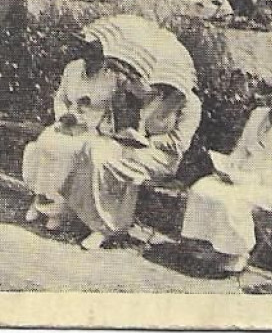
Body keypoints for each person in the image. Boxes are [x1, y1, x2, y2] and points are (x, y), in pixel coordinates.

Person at [64, 48, 202, 251]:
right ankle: (87, 215)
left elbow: (180, 143)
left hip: (163, 159)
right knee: (94, 148)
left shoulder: (190, 105)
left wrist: (149, 141)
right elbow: (137, 103)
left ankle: (106, 228)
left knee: (108, 162)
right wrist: (131, 134)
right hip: (139, 149)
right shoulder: (158, 95)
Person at [181, 72, 272, 274]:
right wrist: (229, 168)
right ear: (269, 99)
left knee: (233, 199)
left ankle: (237, 253)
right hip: (241, 175)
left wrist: (259, 178)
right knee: (202, 187)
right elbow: (242, 148)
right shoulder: (258, 115)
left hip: (271, 189)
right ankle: (209, 244)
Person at [21, 31, 122, 229]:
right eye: (86, 49)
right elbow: (61, 98)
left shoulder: (112, 77)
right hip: (66, 122)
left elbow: (110, 110)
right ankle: (39, 199)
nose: (88, 57)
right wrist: (63, 115)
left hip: (94, 129)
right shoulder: (73, 68)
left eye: (94, 52)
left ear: (104, 55)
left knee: (66, 151)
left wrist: (85, 117)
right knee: (45, 142)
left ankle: (56, 211)